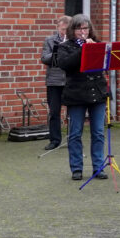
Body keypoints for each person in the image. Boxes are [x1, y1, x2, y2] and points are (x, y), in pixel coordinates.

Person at [54, 14, 107, 181]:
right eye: (79, 29)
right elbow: (66, 64)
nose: (83, 32)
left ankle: (98, 167)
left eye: (86, 28)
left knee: (98, 132)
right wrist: (83, 50)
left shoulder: (97, 44)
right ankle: (76, 168)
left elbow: (103, 65)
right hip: (76, 94)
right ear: (73, 30)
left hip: (96, 92)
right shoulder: (65, 47)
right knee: (75, 133)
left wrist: (94, 50)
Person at [39, 15, 70, 150]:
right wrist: (58, 52)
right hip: (54, 81)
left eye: (67, 30)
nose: (64, 33)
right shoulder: (50, 40)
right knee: (54, 112)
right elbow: (44, 58)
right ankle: (55, 140)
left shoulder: (74, 41)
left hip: (70, 80)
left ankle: (73, 139)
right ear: (58, 27)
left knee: (73, 112)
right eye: (63, 30)